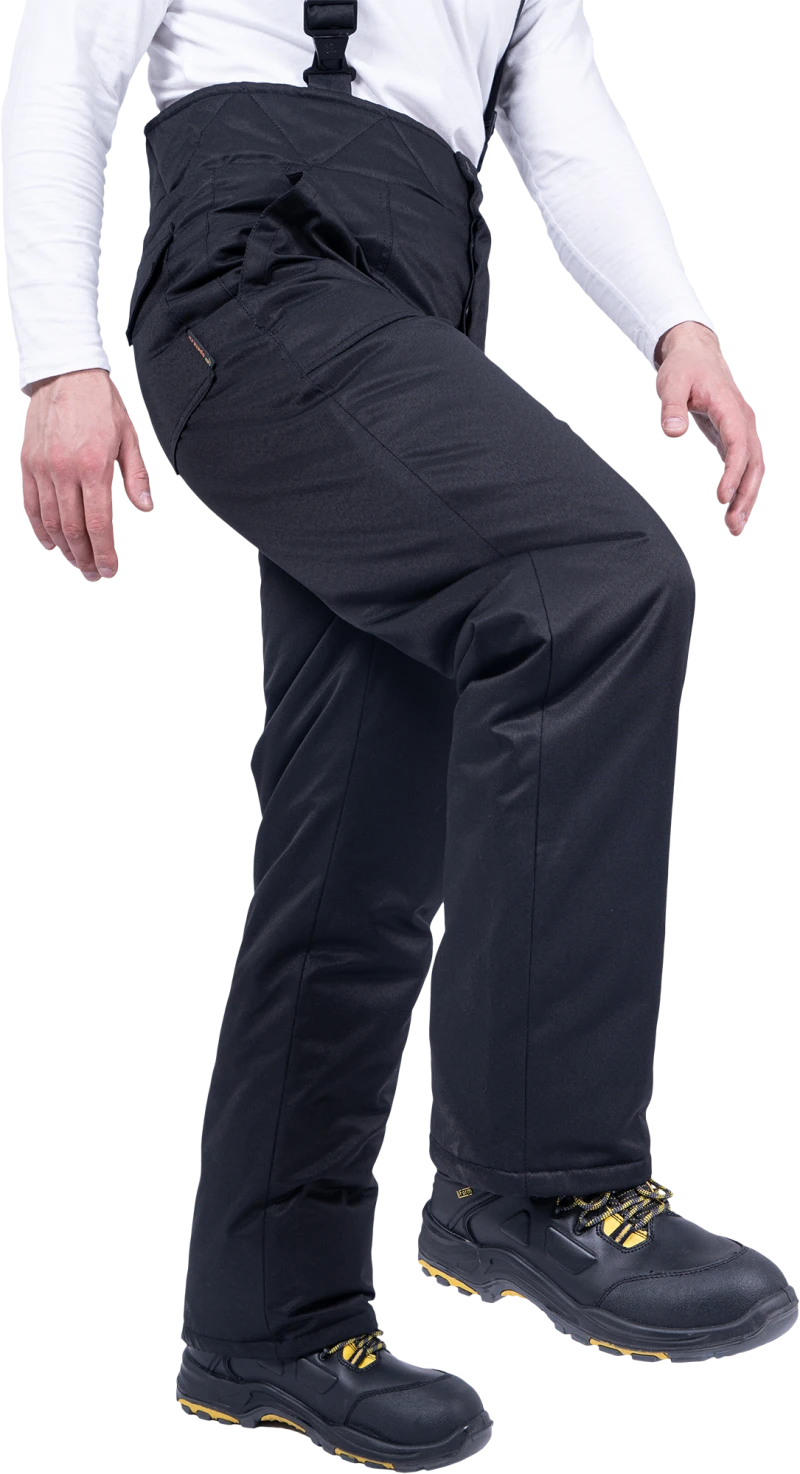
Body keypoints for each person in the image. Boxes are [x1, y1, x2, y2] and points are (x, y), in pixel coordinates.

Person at [5, 0, 793, 1453]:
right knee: (594, 582)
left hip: (412, 298)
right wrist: (58, 357)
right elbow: (67, 49)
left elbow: (564, 123)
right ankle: (538, 1180)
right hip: (257, 274)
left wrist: (676, 320)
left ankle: (266, 1321)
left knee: (355, 837)